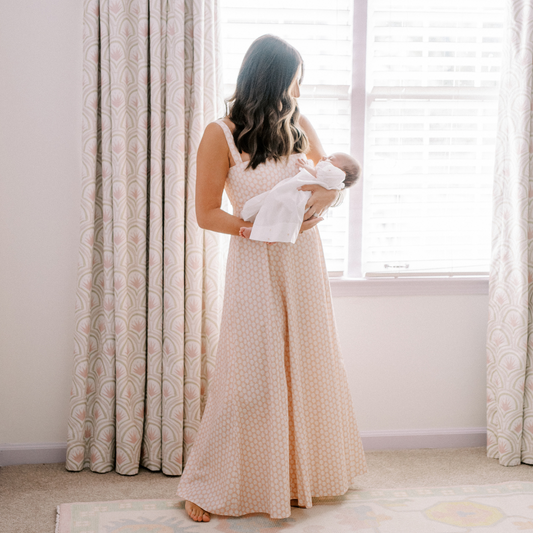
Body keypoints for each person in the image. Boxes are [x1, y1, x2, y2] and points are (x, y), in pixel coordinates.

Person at [177, 34, 368, 523]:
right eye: (295, 81)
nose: (299, 93)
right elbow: (204, 213)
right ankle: (209, 482)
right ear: (271, 80)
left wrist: (312, 209)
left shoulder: (298, 125)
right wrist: (253, 227)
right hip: (255, 262)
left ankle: (290, 475)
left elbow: (332, 181)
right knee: (249, 375)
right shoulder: (219, 134)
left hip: (301, 260)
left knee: (302, 361)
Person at [239, 152, 361, 243]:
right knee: (278, 211)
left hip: (302, 198)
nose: (324, 158)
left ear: (342, 173)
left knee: (281, 210)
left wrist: (307, 166)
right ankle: (270, 235)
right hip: (300, 196)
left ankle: (261, 233)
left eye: (331, 158)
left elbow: (319, 175)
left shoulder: (335, 175)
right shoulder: (333, 175)